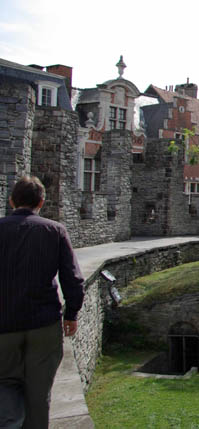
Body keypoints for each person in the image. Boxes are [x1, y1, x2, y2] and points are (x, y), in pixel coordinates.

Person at [0, 175, 84, 429]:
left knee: (4, 385)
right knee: (39, 393)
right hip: (43, 325)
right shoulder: (55, 231)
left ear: (12, 200)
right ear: (42, 202)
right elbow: (73, 278)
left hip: (3, 324)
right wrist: (71, 313)